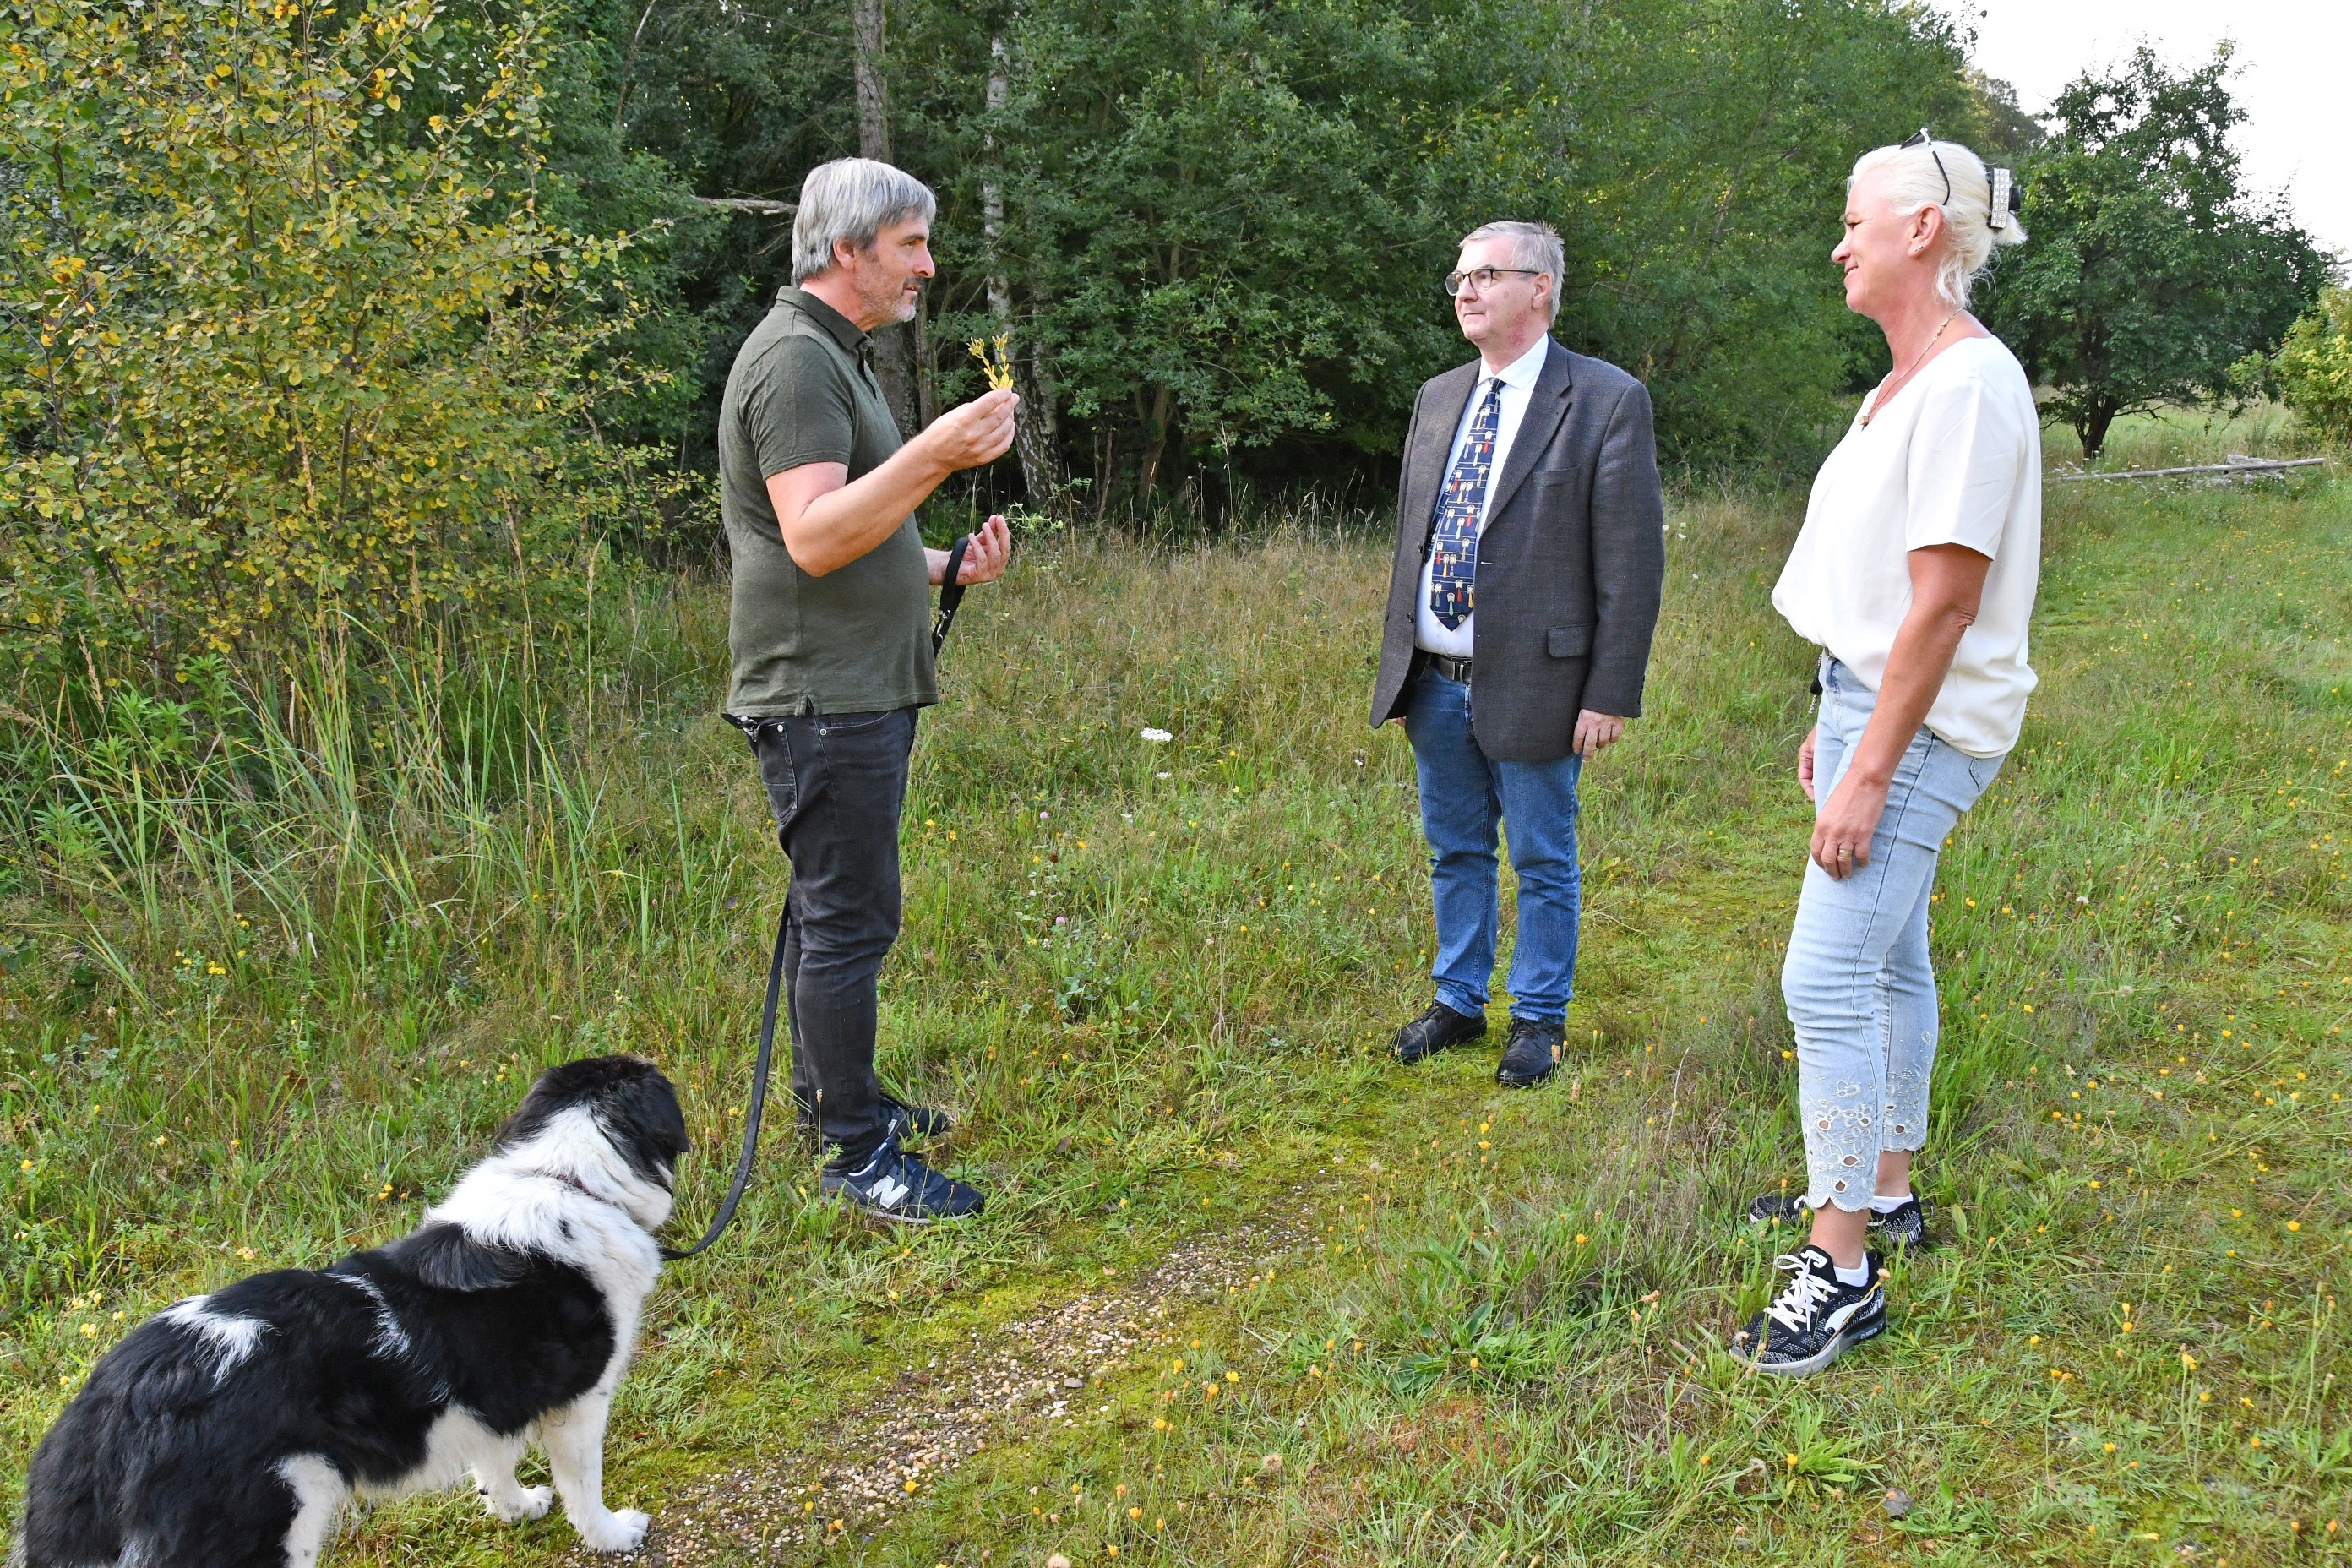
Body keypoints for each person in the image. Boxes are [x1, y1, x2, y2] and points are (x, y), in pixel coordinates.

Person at [1733, 131, 2036, 1374]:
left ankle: (1842, 1263)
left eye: (1856, 221)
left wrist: (1870, 765)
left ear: (1922, 231)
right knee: (1892, 959)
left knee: (1825, 979)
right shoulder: (1907, 382)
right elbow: (1879, 593)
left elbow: (1945, 603)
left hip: (1918, 724)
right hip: (1873, 703)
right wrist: (1835, 716)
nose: (1839, 243)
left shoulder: (1968, 384)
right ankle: (1891, 1187)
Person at [718, 156, 1016, 1223]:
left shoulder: (832, 355)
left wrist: (943, 565)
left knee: (833, 913)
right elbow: (812, 536)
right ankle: (857, 1155)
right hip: (821, 700)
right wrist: (937, 452)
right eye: (910, 246)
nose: (927, 268)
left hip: (851, 690)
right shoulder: (797, 362)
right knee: (848, 920)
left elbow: (856, 531)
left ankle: (835, 1099)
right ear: (847, 250)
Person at [1368, 221, 1665, 1088]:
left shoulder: (1606, 399)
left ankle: (1540, 1017)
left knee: (1542, 856)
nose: (1465, 290)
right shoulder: (1439, 395)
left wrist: (1610, 690)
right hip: (1434, 678)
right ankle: (1458, 999)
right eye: (1459, 276)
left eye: (1486, 274)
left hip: (1542, 677)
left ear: (1539, 288)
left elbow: (1632, 562)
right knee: (1454, 848)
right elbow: (1417, 538)